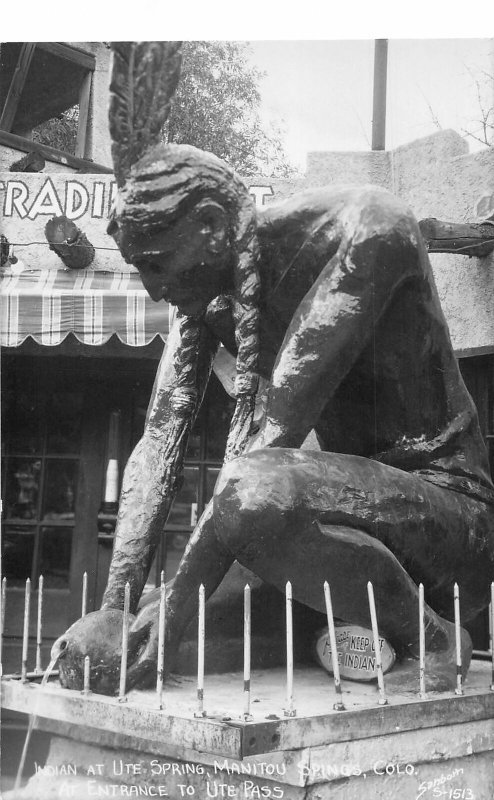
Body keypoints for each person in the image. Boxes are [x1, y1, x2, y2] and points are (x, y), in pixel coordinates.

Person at [53, 143, 494, 694]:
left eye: (155, 264)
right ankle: (338, 628)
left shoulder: (371, 230)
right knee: (137, 638)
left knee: (247, 499)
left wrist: (175, 608)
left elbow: (272, 444)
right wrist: (116, 611)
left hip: (453, 534)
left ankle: (435, 641)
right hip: (338, 541)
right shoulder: (207, 297)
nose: (152, 288)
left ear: (212, 227)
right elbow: (158, 442)